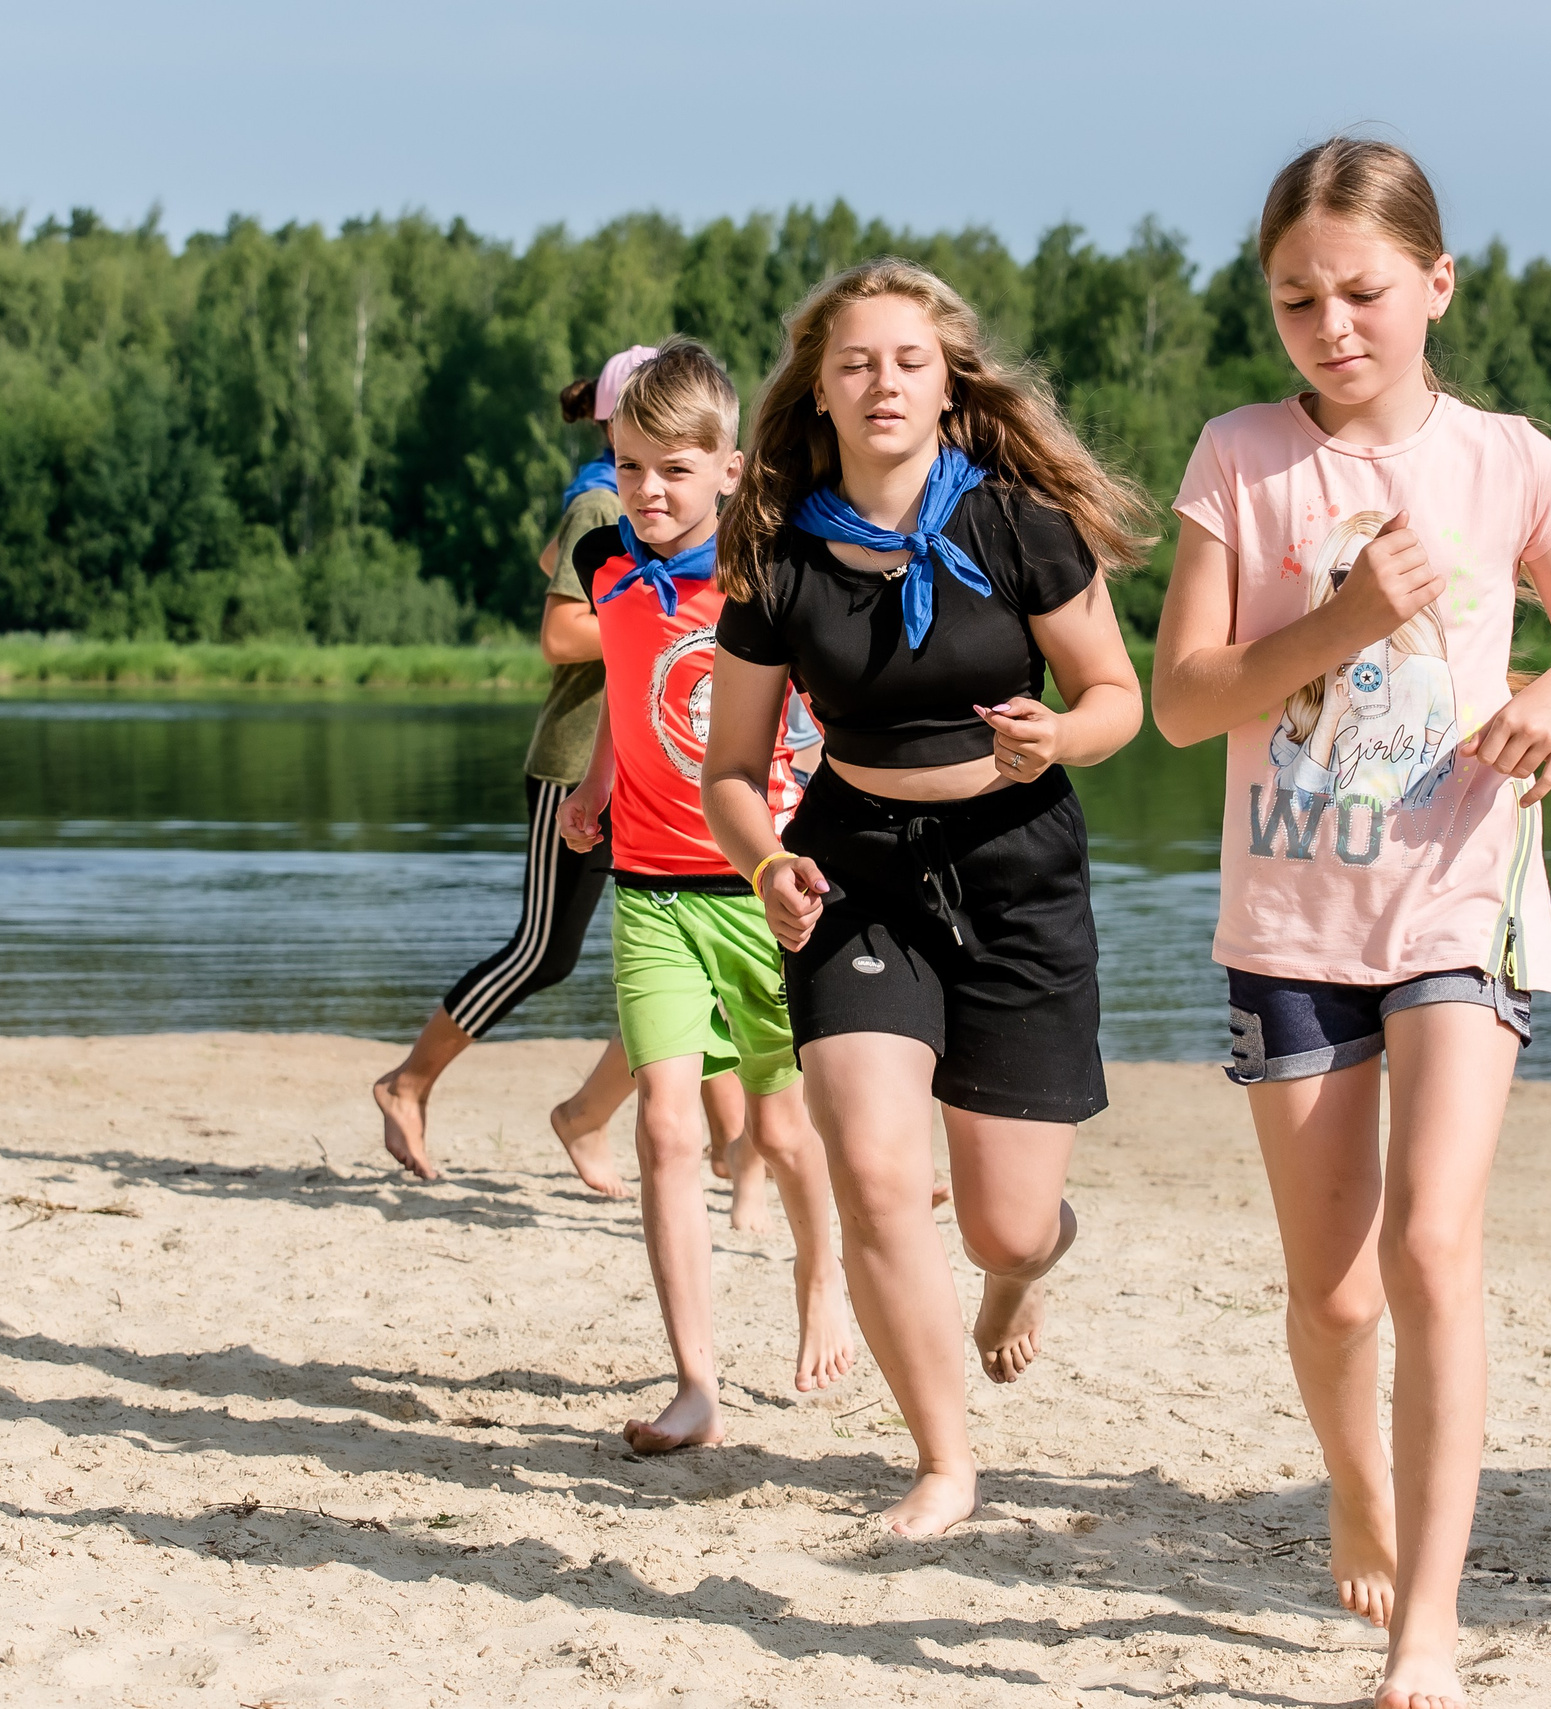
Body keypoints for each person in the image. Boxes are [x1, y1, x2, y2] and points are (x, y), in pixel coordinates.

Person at [1150, 139, 1551, 1709]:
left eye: (1362, 291)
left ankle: (1429, 1616)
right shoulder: (1239, 456)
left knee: (1433, 1246)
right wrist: (1348, 615)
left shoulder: (1510, 460)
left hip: (1458, 900)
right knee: (1336, 1291)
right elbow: (1178, 706)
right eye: (1297, 298)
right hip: (1289, 920)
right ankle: (1353, 1483)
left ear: (1435, 284)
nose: (1331, 323)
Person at [702, 257, 1150, 1536]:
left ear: (948, 382)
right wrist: (764, 859)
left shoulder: (1015, 527)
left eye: (907, 359)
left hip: (1016, 870)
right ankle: (944, 1460)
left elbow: (1119, 699)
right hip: (852, 872)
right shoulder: (776, 556)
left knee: (1006, 1226)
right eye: (856, 362)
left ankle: (1019, 1277)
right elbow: (732, 769)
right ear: (822, 390)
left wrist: (1056, 740)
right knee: (877, 1172)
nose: (882, 381)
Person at [555, 338, 855, 1442]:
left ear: (729, 468)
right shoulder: (610, 575)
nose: (648, 491)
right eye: (630, 467)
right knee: (667, 1132)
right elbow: (630, 704)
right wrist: (593, 789)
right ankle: (695, 1381)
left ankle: (821, 1272)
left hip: (758, 888)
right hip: (649, 890)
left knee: (781, 1129)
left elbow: (818, 708)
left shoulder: (762, 580)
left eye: (676, 468)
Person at [373, 349, 651, 1194]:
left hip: (649, 765)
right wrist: (661, 626)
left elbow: (549, 560)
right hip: (576, 765)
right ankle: (406, 1082)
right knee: (543, 951)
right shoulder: (603, 500)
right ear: (617, 422)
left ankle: (643, 1125)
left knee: (681, 945)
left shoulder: (612, 499)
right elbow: (562, 634)